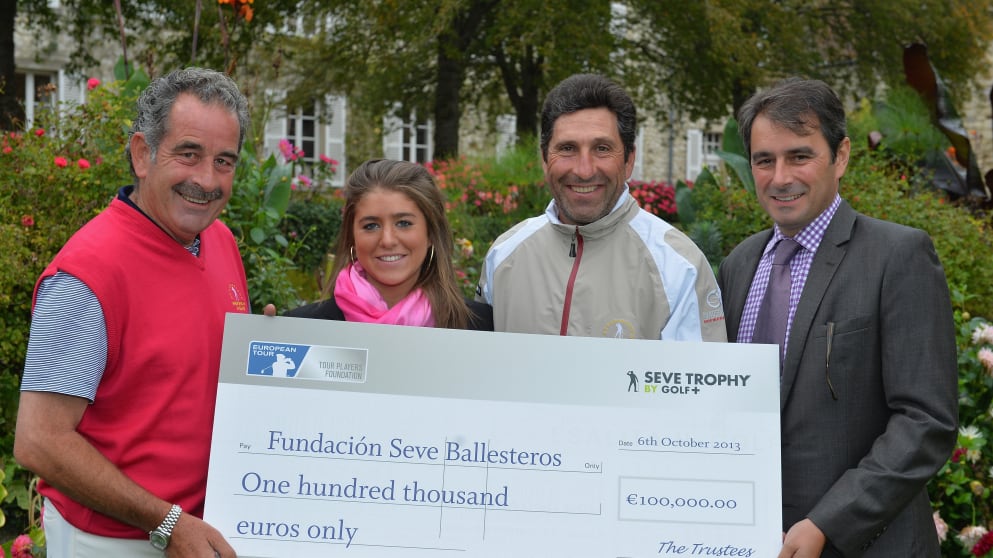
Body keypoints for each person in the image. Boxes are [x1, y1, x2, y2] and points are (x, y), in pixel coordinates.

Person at [14, 67, 250, 557]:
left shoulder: (220, 241)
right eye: (189, 154)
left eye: (223, 161)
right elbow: (39, 440)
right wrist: (167, 523)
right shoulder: (88, 275)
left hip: (198, 532)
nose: (206, 180)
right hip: (112, 541)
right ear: (143, 154)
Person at [718, 78, 957, 557]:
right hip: (754, 539)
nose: (780, 176)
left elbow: (925, 420)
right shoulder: (738, 265)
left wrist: (828, 522)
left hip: (867, 544)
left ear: (841, 156)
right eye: (765, 160)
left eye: (799, 156)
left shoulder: (897, 256)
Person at [475, 73, 726, 341]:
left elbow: (699, 380)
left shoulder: (679, 266)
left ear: (629, 160)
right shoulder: (503, 255)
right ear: (545, 159)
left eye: (602, 148)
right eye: (568, 148)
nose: (584, 171)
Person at [282, 158, 493, 331]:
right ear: (351, 235)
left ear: (430, 234)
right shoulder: (300, 330)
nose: (388, 240)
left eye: (404, 223)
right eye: (371, 226)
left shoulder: (483, 328)